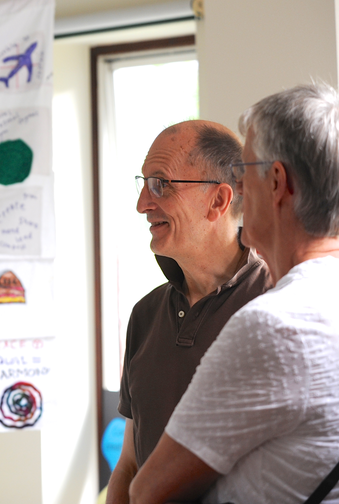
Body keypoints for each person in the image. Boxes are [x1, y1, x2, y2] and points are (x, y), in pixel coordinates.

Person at [130, 84, 339, 504]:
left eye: (245, 171)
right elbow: (132, 463)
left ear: (276, 182)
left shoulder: (273, 322)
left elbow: (151, 491)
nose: (240, 187)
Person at [106, 120, 273, 504]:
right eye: (144, 183)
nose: (142, 204)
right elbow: (131, 463)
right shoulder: (145, 314)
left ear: (218, 201)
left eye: (161, 184)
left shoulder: (274, 305)